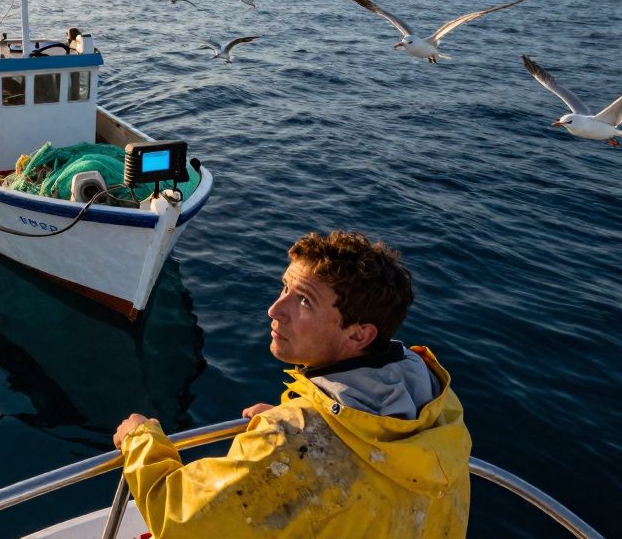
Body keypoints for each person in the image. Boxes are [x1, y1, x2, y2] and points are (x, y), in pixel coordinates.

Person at [112, 230, 471, 538]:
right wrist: (305, 426)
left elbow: (181, 521)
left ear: (359, 334)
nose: (275, 309)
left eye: (303, 301)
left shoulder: (290, 440)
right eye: (284, 287)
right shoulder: (437, 410)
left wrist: (141, 441)